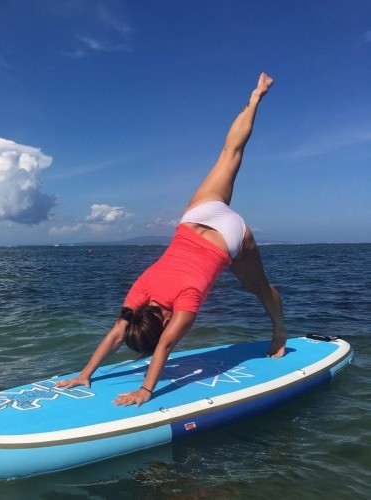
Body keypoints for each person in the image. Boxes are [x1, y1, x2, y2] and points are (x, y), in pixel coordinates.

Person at [56, 72, 287, 407]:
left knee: (259, 288)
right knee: (230, 152)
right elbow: (119, 332)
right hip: (197, 218)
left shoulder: (185, 303)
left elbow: (163, 346)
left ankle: (280, 331)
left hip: (229, 236)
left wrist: (143, 391)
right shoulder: (142, 291)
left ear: (163, 322)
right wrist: (85, 372)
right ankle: (255, 97)